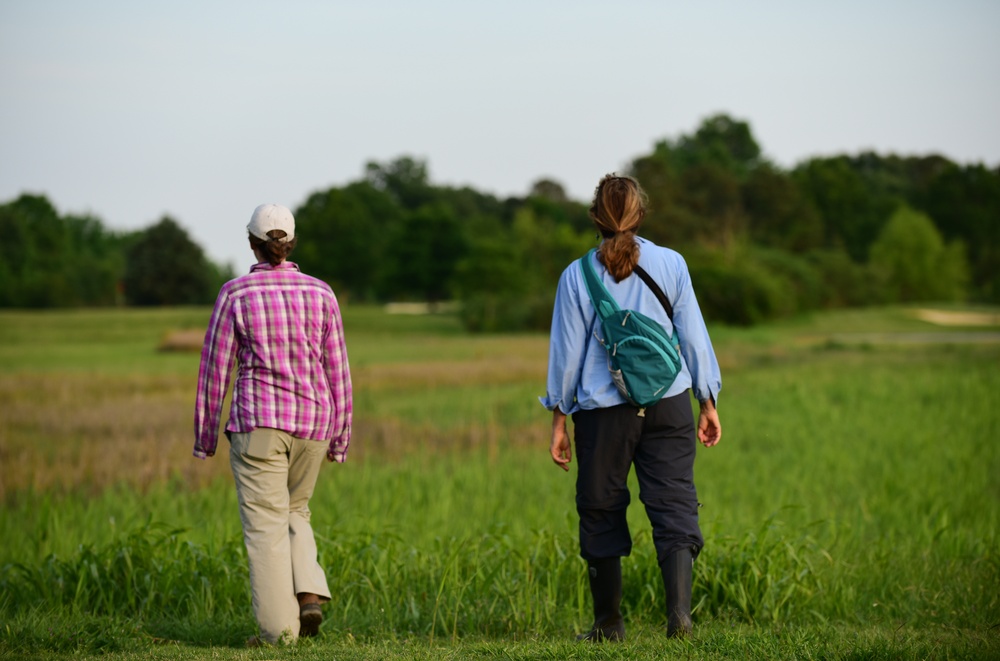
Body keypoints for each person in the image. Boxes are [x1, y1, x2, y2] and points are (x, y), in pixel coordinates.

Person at [540, 174, 721, 641]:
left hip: (603, 414)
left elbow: (567, 355)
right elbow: (693, 335)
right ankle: (680, 616)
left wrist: (559, 417)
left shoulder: (577, 274)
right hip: (670, 403)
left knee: (600, 507)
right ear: (639, 215)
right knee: (675, 502)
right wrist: (707, 398)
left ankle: (608, 625)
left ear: (595, 218)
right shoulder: (672, 263)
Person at [193, 203, 353, 646]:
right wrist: (340, 437)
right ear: (292, 243)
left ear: (252, 244)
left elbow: (215, 371)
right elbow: (337, 370)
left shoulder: (236, 294)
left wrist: (206, 438)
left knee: (265, 525)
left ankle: (278, 636)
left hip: (259, 424)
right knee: (295, 510)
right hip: (314, 424)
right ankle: (308, 593)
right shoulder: (322, 294)